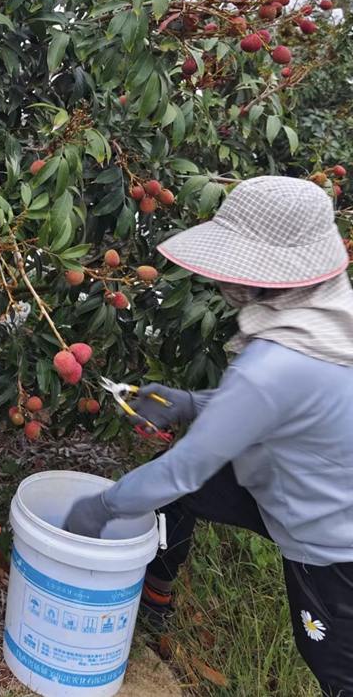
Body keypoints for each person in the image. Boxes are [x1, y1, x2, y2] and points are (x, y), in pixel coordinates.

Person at [65, 176, 353, 697]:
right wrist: (192, 404)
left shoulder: (275, 362)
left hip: (331, 540)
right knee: (192, 493)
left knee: (335, 665)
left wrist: (103, 507)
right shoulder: (329, 318)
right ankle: (155, 596)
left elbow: (183, 469)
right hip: (293, 473)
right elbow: (288, 408)